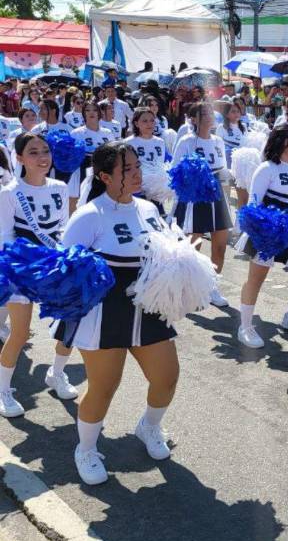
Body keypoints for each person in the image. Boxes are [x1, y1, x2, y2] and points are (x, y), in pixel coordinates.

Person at [52, 141, 179, 485]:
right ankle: (87, 449)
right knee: (104, 387)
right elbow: (64, 269)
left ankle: (148, 427)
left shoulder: (149, 209)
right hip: (103, 312)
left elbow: (169, 252)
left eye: (138, 166)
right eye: (128, 170)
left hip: (147, 307)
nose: (137, 174)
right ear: (106, 176)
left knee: (167, 377)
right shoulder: (90, 215)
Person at [0, 134, 75, 418]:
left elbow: (64, 230)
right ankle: (3, 390)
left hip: (54, 265)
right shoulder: (8, 192)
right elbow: (6, 239)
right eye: (33, 152)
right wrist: (29, 268)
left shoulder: (59, 187)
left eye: (45, 150)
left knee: (72, 322)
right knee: (20, 332)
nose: (42, 156)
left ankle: (56, 374)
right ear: (19, 158)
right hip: (23, 270)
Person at [235, 124, 288, 349]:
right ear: (280, 141)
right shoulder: (267, 168)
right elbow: (253, 204)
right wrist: (264, 229)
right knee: (256, 279)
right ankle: (245, 326)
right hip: (269, 228)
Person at [170, 102, 232, 307]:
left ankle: (212, 286)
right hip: (194, 196)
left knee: (221, 243)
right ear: (194, 119)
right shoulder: (186, 141)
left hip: (216, 194)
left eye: (210, 112)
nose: (209, 116)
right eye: (203, 113)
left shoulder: (218, 141)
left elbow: (222, 169)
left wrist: (233, 175)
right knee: (193, 245)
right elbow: (175, 170)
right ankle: (190, 288)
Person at [125, 108, 167, 215]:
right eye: (144, 121)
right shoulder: (129, 143)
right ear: (136, 123)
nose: (149, 124)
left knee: (159, 219)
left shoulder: (160, 142)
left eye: (152, 120)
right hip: (137, 188)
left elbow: (161, 164)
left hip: (156, 189)